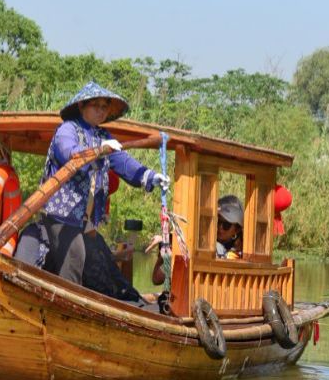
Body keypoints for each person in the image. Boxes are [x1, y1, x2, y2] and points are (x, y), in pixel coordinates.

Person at [15, 82, 169, 291]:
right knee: (75, 253)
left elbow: (124, 163)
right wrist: (99, 150)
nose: (100, 110)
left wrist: (150, 177)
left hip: (84, 223)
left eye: (104, 106)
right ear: (81, 107)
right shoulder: (68, 129)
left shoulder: (103, 136)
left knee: (100, 265)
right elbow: (69, 152)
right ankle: (66, 306)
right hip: (61, 216)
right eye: (95, 105)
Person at [148, 194, 244, 286]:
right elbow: (157, 278)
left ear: (237, 229)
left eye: (226, 225)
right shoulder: (206, 244)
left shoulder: (235, 253)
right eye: (217, 222)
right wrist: (165, 247)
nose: (220, 228)